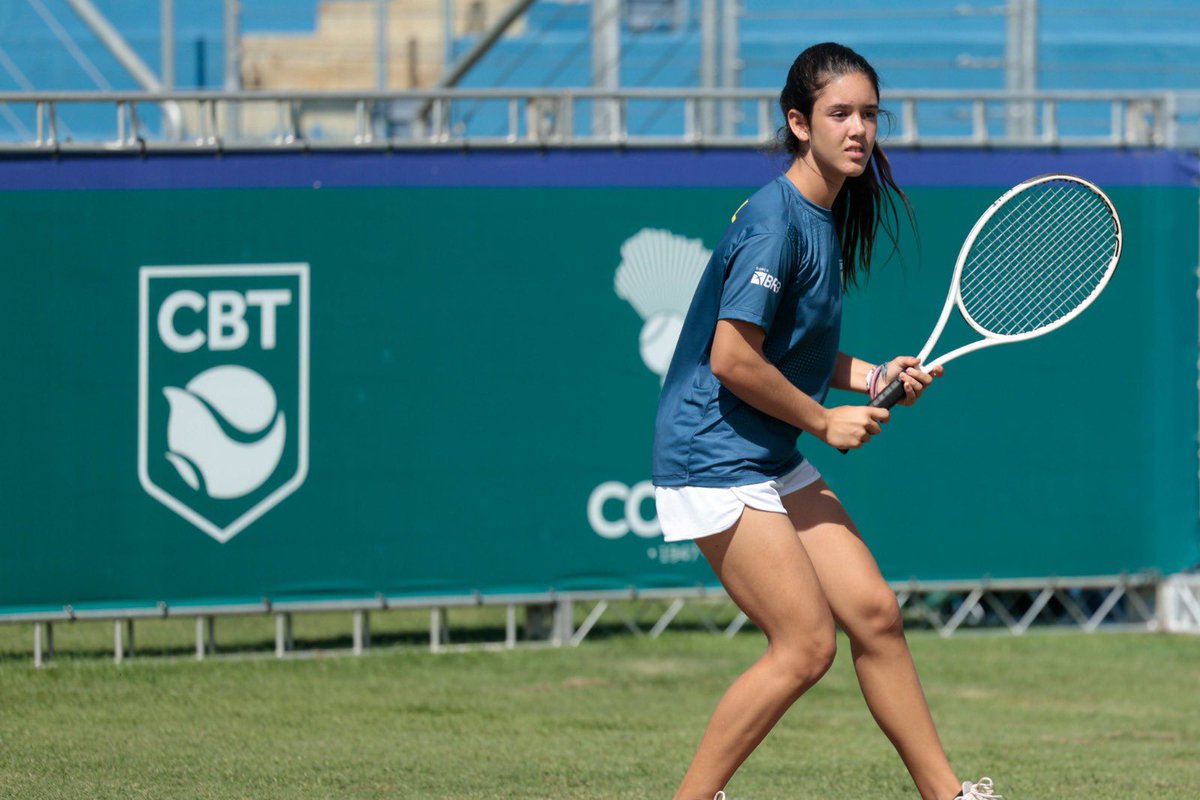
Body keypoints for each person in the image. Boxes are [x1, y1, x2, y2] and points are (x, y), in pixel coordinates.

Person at [651, 43, 1001, 800]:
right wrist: (824, 421)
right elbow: (733, 359)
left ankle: (950, 797)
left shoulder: (821, 216)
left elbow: (797, 344)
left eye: (870, 114)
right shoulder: (777, 222)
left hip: (764, 451)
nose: (859, 130)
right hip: (714, 455)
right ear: (798, 123)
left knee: (873, 613)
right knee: (805, 646)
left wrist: (874, 377)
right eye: (841, 114)